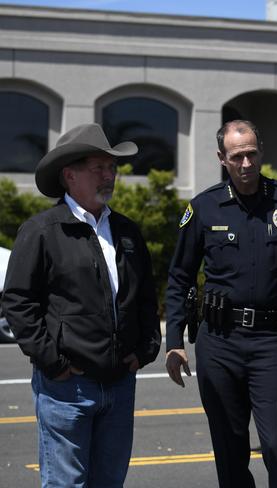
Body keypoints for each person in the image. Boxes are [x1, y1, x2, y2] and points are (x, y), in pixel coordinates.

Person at [2, 123, 161, 487]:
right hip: (66, 388)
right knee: (66, 484)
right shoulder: (42, 230)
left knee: (109, 482)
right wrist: (53, 362)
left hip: (120, 385)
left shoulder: (127, 231)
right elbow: (17, 301)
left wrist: (147, 347)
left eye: (112, 168)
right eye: (99, 168)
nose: (110, 177)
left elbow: (145, 297)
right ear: (69, 176)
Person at [165, 120, 277, 488]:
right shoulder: (204, 207)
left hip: (271, 342)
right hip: (218, 342)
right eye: (237, 157)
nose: (246, 163)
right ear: (222, 158)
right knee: (230, 450)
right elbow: (179, 277)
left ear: (261, 151)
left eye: (251, 154)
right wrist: (174, 342)